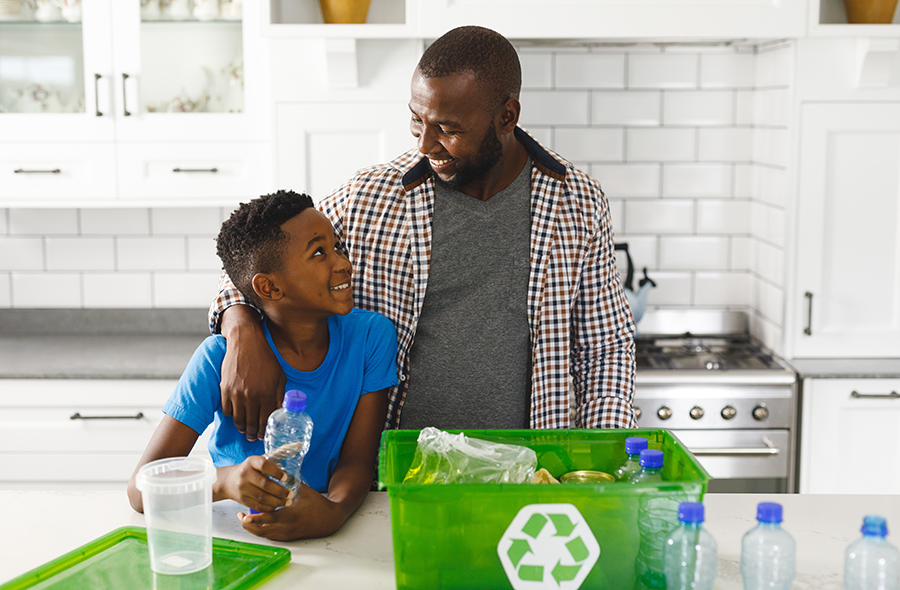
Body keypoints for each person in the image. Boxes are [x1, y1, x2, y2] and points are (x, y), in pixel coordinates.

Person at [209, 25, 636, 439]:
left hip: (522, 471)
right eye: (417, 120)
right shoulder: (371, 195)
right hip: (390, 471)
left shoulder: (576, 201)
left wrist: (605, 460)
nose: (424, 144)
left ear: (507, 116)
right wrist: (241, 331)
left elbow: (605, 346)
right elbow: (253, 261)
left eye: (448, 129)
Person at [128, 190, 399, 541]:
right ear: (269, 286)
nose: (343, 262)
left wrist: (333, 512)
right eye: (319, 252)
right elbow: (139, 489)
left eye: (338, 246)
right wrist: (224, 482)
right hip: (234, 532)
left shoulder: (371, 337)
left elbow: (358, 460)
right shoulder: (217, 359)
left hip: (331, 527)